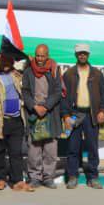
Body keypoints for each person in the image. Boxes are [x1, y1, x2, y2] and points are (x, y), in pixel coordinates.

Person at [61, 42, 104, 189]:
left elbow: (103, 95)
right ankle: (72, 176)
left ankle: (93, 177)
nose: (82, 55)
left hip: (91, 115)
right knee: (73, 147)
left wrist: (102, 111)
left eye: (85, 53)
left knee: (92, 147)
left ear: (88, 55)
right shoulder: (68, 74)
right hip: (74, 114)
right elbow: (63, 97)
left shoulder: (97, 74)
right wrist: (66, 116)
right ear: (76, 55)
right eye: (80, 53)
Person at [0, 54, 31, 191]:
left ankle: (17, 180)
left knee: (16, 153)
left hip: (16, 120)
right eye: (3, 60)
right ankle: (0, 179)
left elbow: (29, 77)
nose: (6, 63)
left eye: (8, 60)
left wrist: (30, 61)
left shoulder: (17, 75)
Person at [21, 43, 61, 189]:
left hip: (50, 113)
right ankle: (34, 177)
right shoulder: (28, 71)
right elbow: (25, 91)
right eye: (37, 55)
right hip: (34, 114)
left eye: (42, 56)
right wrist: (34, 106)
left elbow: (57, 91)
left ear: (47, 56)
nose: (39, 59)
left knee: (50, 149)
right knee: (34, 149)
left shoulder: (54, 70)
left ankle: (48, 177)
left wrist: (46, 106)